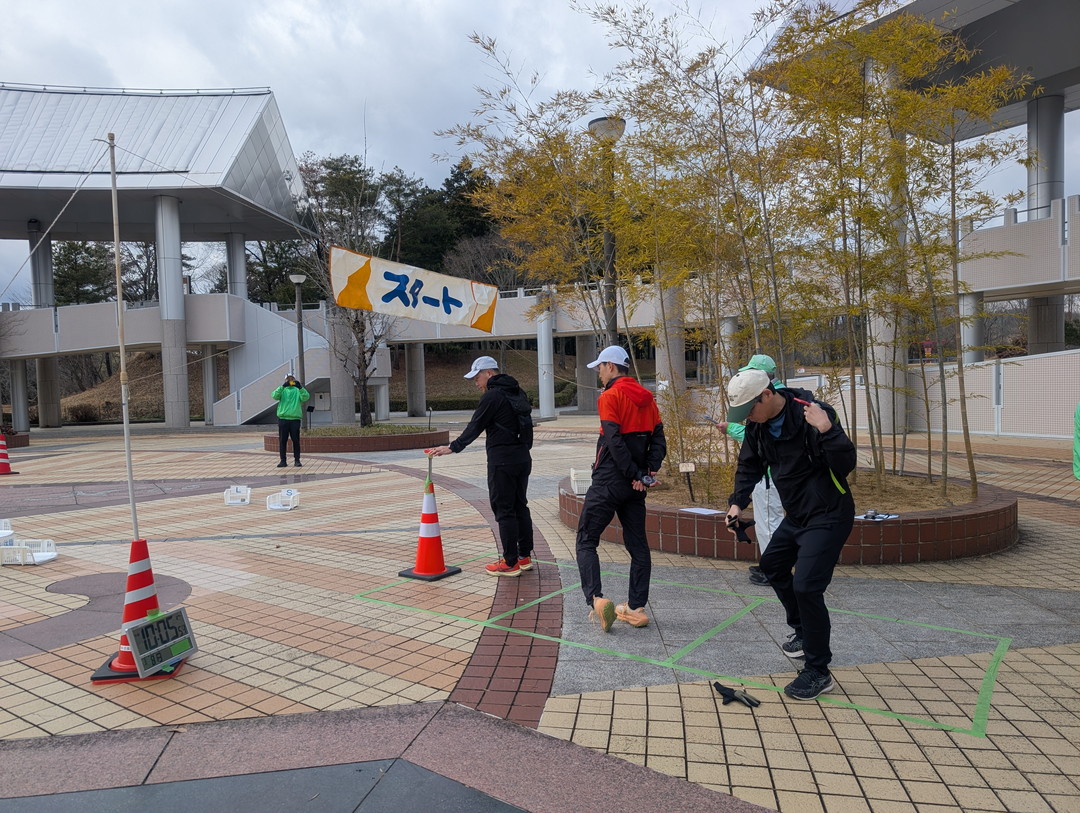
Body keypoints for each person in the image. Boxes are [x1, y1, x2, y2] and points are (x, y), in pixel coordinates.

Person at [725, 367, 856, 701]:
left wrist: (827, 430)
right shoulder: (758, 427)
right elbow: (749, 465)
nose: (748, 418)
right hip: (797, 514)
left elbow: (846, 464)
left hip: (828, 513)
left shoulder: (813, 414)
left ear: (767, 395)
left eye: (750, 410)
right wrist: (737, 503)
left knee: (807, 586)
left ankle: (818, 671)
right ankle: (803, 631)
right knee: (772, 565)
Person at [575, 345, 667, 631]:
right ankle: (636, 609)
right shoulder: (648, 399)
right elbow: (659, 439)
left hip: (608, 481)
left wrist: (634, 473)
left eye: (600, 367)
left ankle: (597, 600)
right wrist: (645, 473)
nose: (599, 373)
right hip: (634, 486)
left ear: (611, 367)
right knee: (638, 546)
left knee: (586, 539)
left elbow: (614, 442)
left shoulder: (610, 396)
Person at [429, 356, 535, 577]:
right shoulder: (517, 391)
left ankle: (510, 563)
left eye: (477, 378)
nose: (476, 383)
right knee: (520, 506)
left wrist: (453, 447)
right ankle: (524, 556)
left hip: (502, 460)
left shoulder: (493, 396)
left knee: (504, 510)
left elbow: (476, 425)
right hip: (522, 457)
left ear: (489, 373)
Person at [714, 354, 785, 585]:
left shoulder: (769, 404)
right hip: (773, 474)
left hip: (768, 475)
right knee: (770, 520)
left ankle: (774, 570)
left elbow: (757, 439)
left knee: (769, 522)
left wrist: (731, 428)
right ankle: (772, 565)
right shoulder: (781, 399)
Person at [271, 375, 310, 468]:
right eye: (288, 379)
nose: (290, 381)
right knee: (282, 441)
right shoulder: (282, 390)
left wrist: (300, 388)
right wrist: (282, 386)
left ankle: (297, 460)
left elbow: (306, 397)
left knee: (296, 440)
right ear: (285, 380)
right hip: (283, 419)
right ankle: (283, 460)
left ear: (294, 380)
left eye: (292, 379)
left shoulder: (297, 390)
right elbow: (274, 396)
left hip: (295, 419)